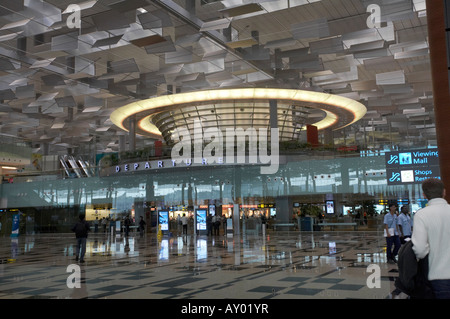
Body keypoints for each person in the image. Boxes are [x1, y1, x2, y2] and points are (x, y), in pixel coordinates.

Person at [412, 178, 450, 299]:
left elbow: (420, 249)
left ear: (424, 195)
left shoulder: (421, 214)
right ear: (444, 192)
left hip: (439, 277)